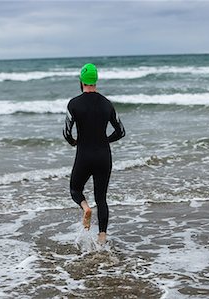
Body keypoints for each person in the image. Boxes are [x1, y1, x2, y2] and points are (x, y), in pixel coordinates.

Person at [63, 63, 125, 244]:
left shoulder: (74, 104)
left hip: (84, 155)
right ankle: (102, 238)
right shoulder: (107, 104)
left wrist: (74, 142)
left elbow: (66, 132)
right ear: (96, 80)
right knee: (102, 198)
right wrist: (104, 140)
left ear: (82, 80)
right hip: (104, 156)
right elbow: (120, 131)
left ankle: (85, 208)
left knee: (75, 189)